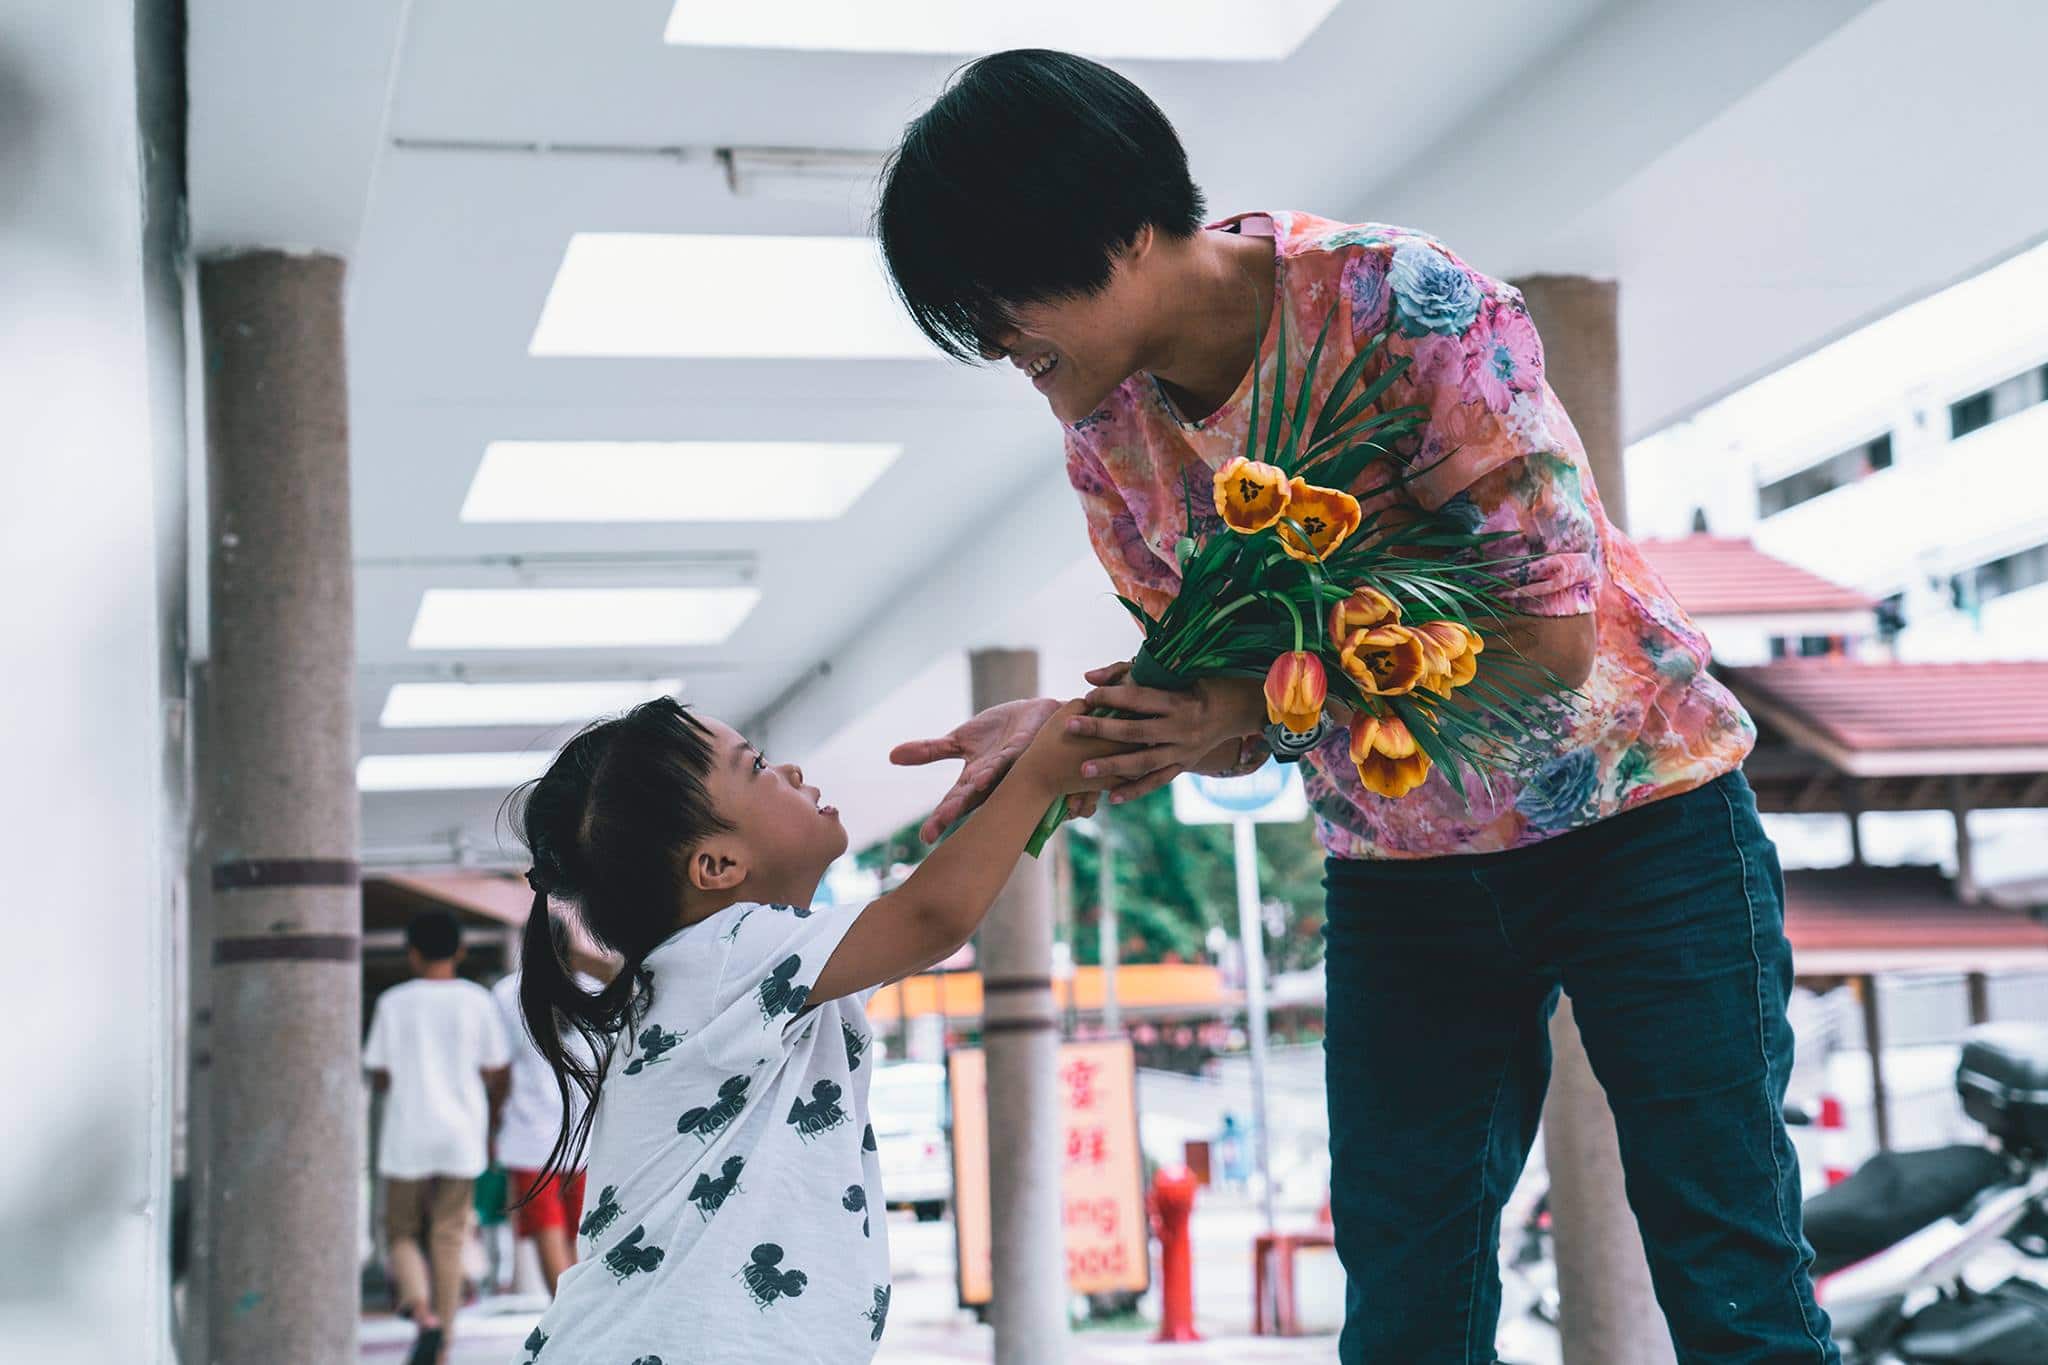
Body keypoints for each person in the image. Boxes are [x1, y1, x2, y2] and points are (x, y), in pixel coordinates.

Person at [877, 49, 1839, 1363]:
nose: (993, 345)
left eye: (993, 304)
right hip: (1405, 866)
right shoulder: (1108, 435)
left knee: (1729, 1266)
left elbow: (1548, 638)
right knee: (1405, 1292)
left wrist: (1238, 704)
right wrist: (1070, 730)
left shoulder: (1401, 301)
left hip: (1642, 815)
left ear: (1107, 225)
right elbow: (1225, 696)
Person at [504, 696, 1107, 1363]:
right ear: (716, 867)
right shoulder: (726, 955)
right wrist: (1043, 772)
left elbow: (928, 906)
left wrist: (1020, 791)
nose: (789, 769)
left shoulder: (739, 973)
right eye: (756, 766)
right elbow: (931, 916)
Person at [364, 910, 512, 1365]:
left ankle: (422, 1311)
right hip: (460, 1133)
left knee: (400, 1231)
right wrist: (491, 1126)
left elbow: (381, 1073)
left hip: (407, 1132)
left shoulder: (394, 1002)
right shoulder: (476, 1001)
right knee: (449, 1235)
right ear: (461, 951)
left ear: (412, 953)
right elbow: (497, 1069)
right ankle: (443, 1343)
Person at [490, 935, 604, 1295]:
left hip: (528, 1137)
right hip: (585, 1138)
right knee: (579, 1234)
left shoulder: (507, 994)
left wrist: (492, 1122)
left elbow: (499, 1069)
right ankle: (580, 1320)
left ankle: (564, 1318)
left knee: (547, 1229)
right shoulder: (594, 991)